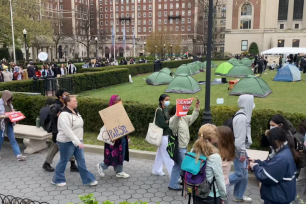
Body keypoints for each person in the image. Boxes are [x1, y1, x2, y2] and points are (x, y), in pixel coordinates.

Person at [52, 95, 98, 187]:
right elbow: (67, 130)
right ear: (68, 103)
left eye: (76, 100)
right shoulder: (64, 115)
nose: (76, 102)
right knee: (63, 161)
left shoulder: (76, 112)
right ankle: (57, 179)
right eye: (74, 101)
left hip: (78, 141)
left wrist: (79, 140)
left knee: (81, 161)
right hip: (66, 142)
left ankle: (88, 179)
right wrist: (78, 142)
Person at [249, 128, 297, 204]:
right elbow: (272, 166)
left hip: (278, 198)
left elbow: (266, 176)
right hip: (282, 196)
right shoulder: (286, 151)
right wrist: (257, 162)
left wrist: (255, 167)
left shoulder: (281, 158)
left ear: (277, 141)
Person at [42, 90, 78, 172]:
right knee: (56, 147)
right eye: (65, 95)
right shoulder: (55, 106)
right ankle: (47, 163)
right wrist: (59, 115)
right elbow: (53, 119)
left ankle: (72, 165)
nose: (67, 96)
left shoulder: (65, 104)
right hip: (57, 131)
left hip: (66, 130)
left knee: (68, 146)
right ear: (60, 97)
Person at [168, 99, 200, 190]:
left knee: (177, 165)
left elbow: (192, 118)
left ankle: (173, 183)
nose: (184, 112)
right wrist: (178, 113)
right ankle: (188, 183)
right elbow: (173, 123)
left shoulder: (184, 118)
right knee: (185, 166)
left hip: (183, 147)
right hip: (179, 148)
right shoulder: (173, 120)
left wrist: (196, 109)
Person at [192, 124, 227, 204]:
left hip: (197, 191)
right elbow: (220, 180)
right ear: (212, 139)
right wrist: (223, 196)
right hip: (211, 195)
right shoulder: (215, 157)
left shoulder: (194, 151)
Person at [97, 95, 130, 178]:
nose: (119, 101)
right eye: (117, 100)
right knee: (113, 155)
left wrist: (127, 135)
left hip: (122, 136)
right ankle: (102, 166)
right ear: (113, 101)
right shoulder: (109, 113)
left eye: (120, 99)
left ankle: (119, 171)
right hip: (115, 138)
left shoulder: (121, 110)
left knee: (121, 153)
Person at [229, 94, 254, 203]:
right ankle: (217, 184)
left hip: (241, 150)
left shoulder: (243, 116)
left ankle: (239, 195)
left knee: (244, 175)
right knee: (240, 174)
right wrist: (242, 152)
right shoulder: (241, 118)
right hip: (239, 150)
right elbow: (239, 139)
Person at [0, 90, 27, 161]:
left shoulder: (9, 104)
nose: (10, 100)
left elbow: (11, 111)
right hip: (1, 125)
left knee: (13, 140)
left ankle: (18, 155)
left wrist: (16, 113)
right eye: (8, 98)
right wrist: (5, 116)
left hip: (9, 124)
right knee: (0, 140)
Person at [152, 94, 174, 177]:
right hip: (163, 135)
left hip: (166, 134)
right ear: (161, 101)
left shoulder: (166, 109)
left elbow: (168, 120)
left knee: (160, 154)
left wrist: (168, 121)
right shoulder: (159, 110)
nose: (168, 101)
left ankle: (156, 170)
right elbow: (162, 124)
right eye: (166, 100)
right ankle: (174, 176)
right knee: (168, 155)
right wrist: (168, 122)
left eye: (169, 99)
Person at [216, 126, 236, 204]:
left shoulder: (218, 155)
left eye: (216, 136)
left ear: (221, 139)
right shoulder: (228, 151)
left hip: (219, 188)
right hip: (225, 185)